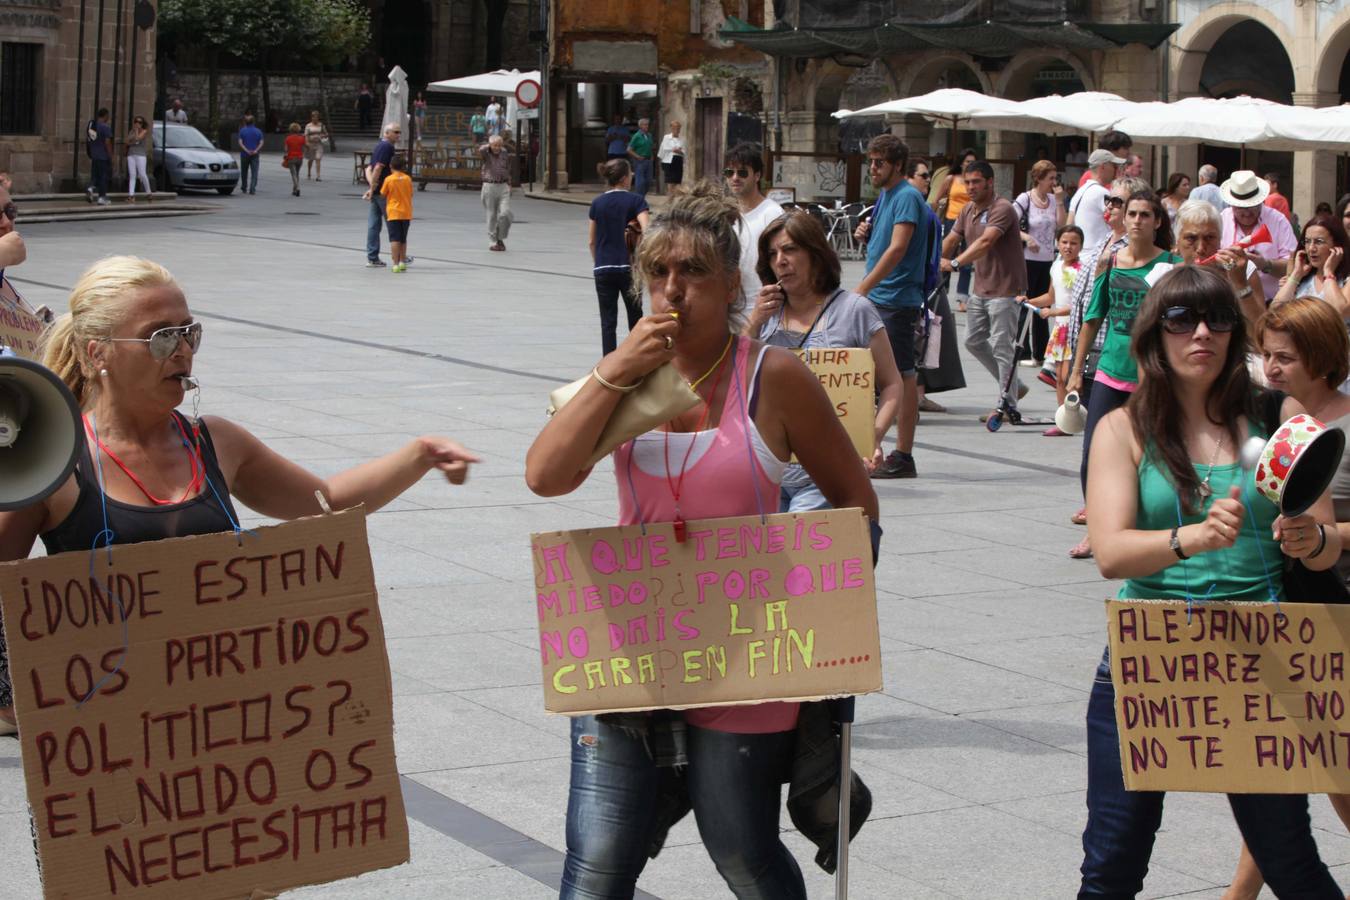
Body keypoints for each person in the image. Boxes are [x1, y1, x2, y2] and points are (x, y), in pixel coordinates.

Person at [525, 183, 878, 900]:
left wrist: (825, 598)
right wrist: (614, 371)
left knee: (742, 850)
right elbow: (546, 475)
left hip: (742, 644)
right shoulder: (625, 377)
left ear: (730, 284)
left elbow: (855, 503)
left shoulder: (772, 376)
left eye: (690, 271)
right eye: (656, 272)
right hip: (633, 636)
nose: (670, 289)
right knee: (595, 863)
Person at [0, 255, 481, 733]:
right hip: (108, 738)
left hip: (221, 733)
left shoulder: (216, 442)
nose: (183, 349)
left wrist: (420, 454)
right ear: (96, 352)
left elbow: (324, 502)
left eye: (190, 332)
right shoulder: (53, 461)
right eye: (160, 336)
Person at [1079, 264, 1343, 899]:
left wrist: (1312, 539)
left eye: (1219, 319)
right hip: (1152, 653)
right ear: (1154, 334)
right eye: (1183, 320)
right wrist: (1189, 537)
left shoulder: (1278, 413)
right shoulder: (1124, 426)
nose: (1203, 333)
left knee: (1289, 857)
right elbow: (1111, 553)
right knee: (1113, 860)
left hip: (1261, 656)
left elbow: (1324, 543)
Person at [1219, 295, 1350, 900]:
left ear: (1322, 360)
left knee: (1329, 769)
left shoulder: (1346, 423)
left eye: (1285, 357)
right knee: (1281, 767)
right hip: (1284, 614)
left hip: (1337, 611)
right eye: (1265, 355)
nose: (1269, 368)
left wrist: (1326, 535)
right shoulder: (1267, 421)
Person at [748, 210, 902, 506]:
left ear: (816, 253)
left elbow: (893, 384)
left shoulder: (854, 310)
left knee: (800, 548)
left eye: (790, 249)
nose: (781, 260)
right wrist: (752, 324)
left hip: (826, 476)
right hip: (766, 474)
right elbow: (734, 381)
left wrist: (873, 437)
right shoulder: (764, 317)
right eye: (772, 254)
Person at [1067, 190, 1179, 560]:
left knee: (1152, 454)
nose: (1136, 221)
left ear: (1157, 221)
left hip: (1154, 375)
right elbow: (1092, 317)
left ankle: (1145, 527)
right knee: (1092, 455)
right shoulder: (1110, 263)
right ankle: (1098, 531)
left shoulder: (1171, 265)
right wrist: (1075, 370)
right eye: (1131, 213)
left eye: (1145, 215)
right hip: (1110, 371)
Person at [851, 134, 928, 479]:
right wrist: (867, 231)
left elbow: (898, 248)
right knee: (883, 376)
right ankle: (876, 445)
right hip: (881, 297)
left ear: (897, 165)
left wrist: (863, 288)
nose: (873, 168)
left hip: (895, 299)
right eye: (870, 162)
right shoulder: (887, 196)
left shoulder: (908, 196)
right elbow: (887, 242)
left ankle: (903, 454)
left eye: (879, 162)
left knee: (902, 378)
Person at [942, 160, 1029, 423]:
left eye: (976, 182)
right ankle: (1015, 385)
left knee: (1003, 347)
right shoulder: (967, 209)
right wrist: (934, 262)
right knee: (973, 340)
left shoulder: (1002, 208)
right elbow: (952, 239)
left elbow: (986, 241)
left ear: (990, 182)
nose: (970, 187)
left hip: (1006, 289)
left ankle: (1006, 406)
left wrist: (955, 263)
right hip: (980, 288)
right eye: (967, 182)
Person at [905, 156, 965, 413]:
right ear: (908, 177)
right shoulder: (907, 204)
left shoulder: (923, 208)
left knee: (926, 337)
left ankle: (918, 396)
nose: (929, 180)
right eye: (923, 176)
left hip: (928, 278)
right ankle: (910, 399)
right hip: (915, 282)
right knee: (917, 339)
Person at [1021, 225, 1083, 435]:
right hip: (1060, 329)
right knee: (1058, 378)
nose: (1068, 247)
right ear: (1057, 243)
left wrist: (1053, 313)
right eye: (1064, 242)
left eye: (1073, 243)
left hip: (1074, 329)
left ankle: (1073, 419)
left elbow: (1080, 303)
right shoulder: (1056, 267)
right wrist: (1029, 300)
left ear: (1080, 246)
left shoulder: (1082, 270)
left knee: (1067, 378)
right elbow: (1051, 297)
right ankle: (1063, 421)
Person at [588, 159, 649, 354]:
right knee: (636, 319)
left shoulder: (597, 203)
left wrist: (598, 261)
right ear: (624, 178)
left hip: (603, 268)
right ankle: (636, 360)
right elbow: (647, 231)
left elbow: (591, 240)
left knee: (608, 322)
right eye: (630, 173)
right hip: (630, 268)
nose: (632, 176)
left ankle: (608, 366)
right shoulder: (637, 201)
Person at [1172, 199, 1266, 326]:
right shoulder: (1163, 275)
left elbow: (1260, 331)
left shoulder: (1244, 270)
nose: (1200, 248)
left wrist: (1240, 283)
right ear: (1177, 241)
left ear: (1220, 240)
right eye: (1191, 238)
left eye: (1209, 238)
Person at [1015, 160, 1067, 367]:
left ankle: (1041, 351)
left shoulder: (1054, 200)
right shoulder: (1025, 199)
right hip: (1027, 259)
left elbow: (1063, 226)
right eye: (1050, 178)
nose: (1054, 182)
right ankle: (1023, 351)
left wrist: (1061, 201)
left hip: (1047, 259)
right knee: (1025, 303)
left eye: (1056, 178)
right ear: (1038, 178)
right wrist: (1027, 238)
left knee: (1044, 305)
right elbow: (1009, 223)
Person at [1220, 169, 1298, 299]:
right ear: (1231, 203)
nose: (1246, 213)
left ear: (1261, 201)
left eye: (1252, 206)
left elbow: (1293, 265)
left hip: (1272, 303)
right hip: (1231, 302)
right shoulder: (1222, 219)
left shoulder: (1278, 220)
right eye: (1240, 207)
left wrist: (1266, 265)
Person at [724, 143, 783, 306]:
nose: (735, 177)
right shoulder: (725, 215)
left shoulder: (772, 213)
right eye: (729, 172)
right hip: (730, 308)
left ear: (757, 176)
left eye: (742, 172)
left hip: (762, 308)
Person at [1272, 212, 1350, 316]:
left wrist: (1328, 272)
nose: (1311, 249)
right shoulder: (1302, 278)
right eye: (1307, 241)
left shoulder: (1346, 278)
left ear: (1337, 245)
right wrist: (1296, 275)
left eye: (1319, 242)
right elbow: (1275, 310)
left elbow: (1340, 311)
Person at [932, 147, 978, 312]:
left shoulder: (975, 181)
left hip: (971, 221)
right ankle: (941, 294)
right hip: (952, 220)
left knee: (966, 261)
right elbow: (936, 199)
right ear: (961, 162)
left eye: (972, 162)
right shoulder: (951, 178)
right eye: (967, 162)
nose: (970, 164)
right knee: (946, 258)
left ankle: (962, 298)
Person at [1068, 149, 1124, 253]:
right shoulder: (1101, 193)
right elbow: (1121, 221)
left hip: (1083, 252)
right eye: (1114, 166)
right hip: (1096, 253)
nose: (1116, 170)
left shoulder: (1080, 191)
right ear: (1103, 166)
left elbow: (1069, 223)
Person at [363, 122, 398, 267]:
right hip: (384, 191)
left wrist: (372, 187)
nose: (398, 135)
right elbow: (377, 168)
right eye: (396, 132)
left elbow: (368, 169)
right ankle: (399, 255)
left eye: (399, 132)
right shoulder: (387, 147)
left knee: (374, 224)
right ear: (387, 133)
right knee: (393, 222)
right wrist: (373, 187)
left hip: (377, 191)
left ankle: (372, 257)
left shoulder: (378, 145)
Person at [479, 133, 513, 252]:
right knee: (492, 215)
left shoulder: (504, 153)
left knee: (506, 213)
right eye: (495, 145)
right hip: (490, 186)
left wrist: (509, 183)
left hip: (503, 186)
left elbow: (507, 168)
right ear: (490, 145)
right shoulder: (486, 154)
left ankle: (500, 237)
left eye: (499, 145)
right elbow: (481, 149)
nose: (497, 148)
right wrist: (489, 145)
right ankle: (493, 241)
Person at [381, 155, 413, 273]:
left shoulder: (389, 179)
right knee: (403, 239)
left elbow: (383, 194)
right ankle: (402, 262)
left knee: (394, 239)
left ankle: (394, 264)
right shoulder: (407, 179)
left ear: (390, 166)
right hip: (406, 212)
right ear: (403, 166)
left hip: (393, 212)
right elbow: (411, 194)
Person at [86, 108, 113, 206]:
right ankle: (102, 197)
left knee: (94, 175)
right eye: (108, 116)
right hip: (103, 156)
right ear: (105, 115)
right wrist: (110, 155)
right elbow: (107, 142)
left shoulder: (93, 127)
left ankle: (90, 187)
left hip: (94, 155)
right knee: (103, 177)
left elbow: (91, 141)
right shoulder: (106, 127)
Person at [125, 116, 153, 203]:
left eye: (140, 122)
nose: (138, 123)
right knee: (132, 175)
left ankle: (149, 192)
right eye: (136, 121)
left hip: (140, 155)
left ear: (142, 124)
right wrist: (133, 140)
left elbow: (137, 139)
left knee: (142, 174)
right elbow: (127, 142)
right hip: (131, 154)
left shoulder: (144, 131)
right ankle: (131, 195)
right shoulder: (131, 131)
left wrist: (136, 132)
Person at [237, 114, 263, 195]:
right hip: (255, 154)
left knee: (244, 172)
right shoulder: (258, 131)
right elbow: (261, 142)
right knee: (254, 172)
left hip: (244, 154)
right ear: (254, 122)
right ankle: (252, 188)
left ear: (245, 122)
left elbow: (240, 143)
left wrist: (246, 150)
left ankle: (244, 187)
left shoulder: (242, 131)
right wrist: (256, 150)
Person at [628, 118, 654, 197]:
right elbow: (629, 149)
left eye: (647, 124)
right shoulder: (636, 136)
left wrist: (652, 156)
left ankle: (641, 196)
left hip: (648, 160)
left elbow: (650, 147)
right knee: (640, 181)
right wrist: (638, 156)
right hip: (640, 161)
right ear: (640, 126)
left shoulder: (649, 135)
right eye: (645, 124)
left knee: (648, 181)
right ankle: (639, 197)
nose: (647, 126)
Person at [657, 120, 686, 191]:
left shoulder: (682, 138)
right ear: (672, 128)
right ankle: (670, 198)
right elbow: (665, 148)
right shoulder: (666, 137)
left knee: (677, 181)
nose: (677, 130)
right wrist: (675, 149)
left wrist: (679, 151)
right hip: (669, 161)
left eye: (679, 128)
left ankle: (675, 199)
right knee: (670, 181)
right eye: (675, 128)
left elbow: (684, 151)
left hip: (678, 160)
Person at [304, 110, 328, 181]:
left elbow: (326, 133)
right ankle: (309, 172)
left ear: (318, 117)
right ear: (311, 117)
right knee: (311, 159)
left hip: (318, 144)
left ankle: (318, 176)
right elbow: (306, 135)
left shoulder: (321, 125)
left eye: (316, 117)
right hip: (310, 144)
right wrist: (307, 142)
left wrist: (323, 135)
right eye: (313, 117)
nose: (315, 118)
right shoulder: (308, 125)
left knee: (318, 159)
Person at [283, 122, 305, 197]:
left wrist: (285, 155)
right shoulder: (302, 138)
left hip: (291, 158)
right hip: (300, 158)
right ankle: (294, 190)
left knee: (293, 174)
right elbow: (306, 146)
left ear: (291, 129)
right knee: (297, 174)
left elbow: (286, 149)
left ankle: (298, 188)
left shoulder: (288, 138)